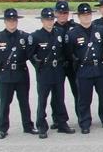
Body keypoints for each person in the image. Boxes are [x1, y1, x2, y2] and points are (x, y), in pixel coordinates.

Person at [66, 3, 103, 133]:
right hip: (84, 69)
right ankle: (85, 122)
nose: (86, 17)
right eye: (83, 15)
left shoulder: (100, 30)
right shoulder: (73, 33)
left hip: (100, 67)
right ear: (79, 17)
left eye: (88, 14)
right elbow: (70, 52)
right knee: (84, 98)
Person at [28, 8, 74, 136]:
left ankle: (62, 123)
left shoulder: (59, 33)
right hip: (45, 71)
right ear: (42, 20)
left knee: (59, 98)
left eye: (51, 19)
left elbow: (65, 50)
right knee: (43, 100)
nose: (49, 22)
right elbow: (31, 55)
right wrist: (38, 66)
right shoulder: (35, 36)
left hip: (58, 69)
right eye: (47, 20)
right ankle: (42, 126)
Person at [0, 9, 33, 139]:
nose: (12, 23)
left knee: (24, 101)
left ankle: (28, 126)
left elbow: (30, 54)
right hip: (5, 75)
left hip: (21, 72)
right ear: (5, 22)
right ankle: (3, 128)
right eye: (9, 20)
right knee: (5, 102)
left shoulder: (24, 37)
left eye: (14, 20)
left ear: (17, 21)